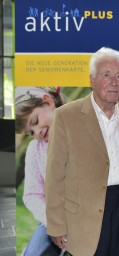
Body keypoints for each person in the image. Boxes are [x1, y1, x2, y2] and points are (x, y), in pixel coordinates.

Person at [45, 47, 119, 256]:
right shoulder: (66, 116)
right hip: (85, 212)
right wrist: (56, 224)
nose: (113, 82)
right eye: (106, 75)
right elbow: (54, 175)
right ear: (92, 80)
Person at [15, 87, 65, 256]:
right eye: (30, 132)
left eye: (35, 121)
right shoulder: (35, 150)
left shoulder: (81, 130)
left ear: (49, 102)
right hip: (53, 219)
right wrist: (53, 223)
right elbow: (32, 194)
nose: (37, 132)